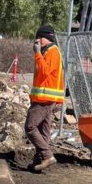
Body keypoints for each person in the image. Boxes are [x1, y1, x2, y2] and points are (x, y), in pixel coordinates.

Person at [25, 24, 65, 171]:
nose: (37, 41)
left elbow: (44, 72)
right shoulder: (48, 51)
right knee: (43, 130)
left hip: (45, 98)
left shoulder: (52, 52)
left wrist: (37, 53)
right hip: (44, 97)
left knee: (30, 127)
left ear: (44, 38)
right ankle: (39, 161)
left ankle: (47, 156)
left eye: (38, 38)